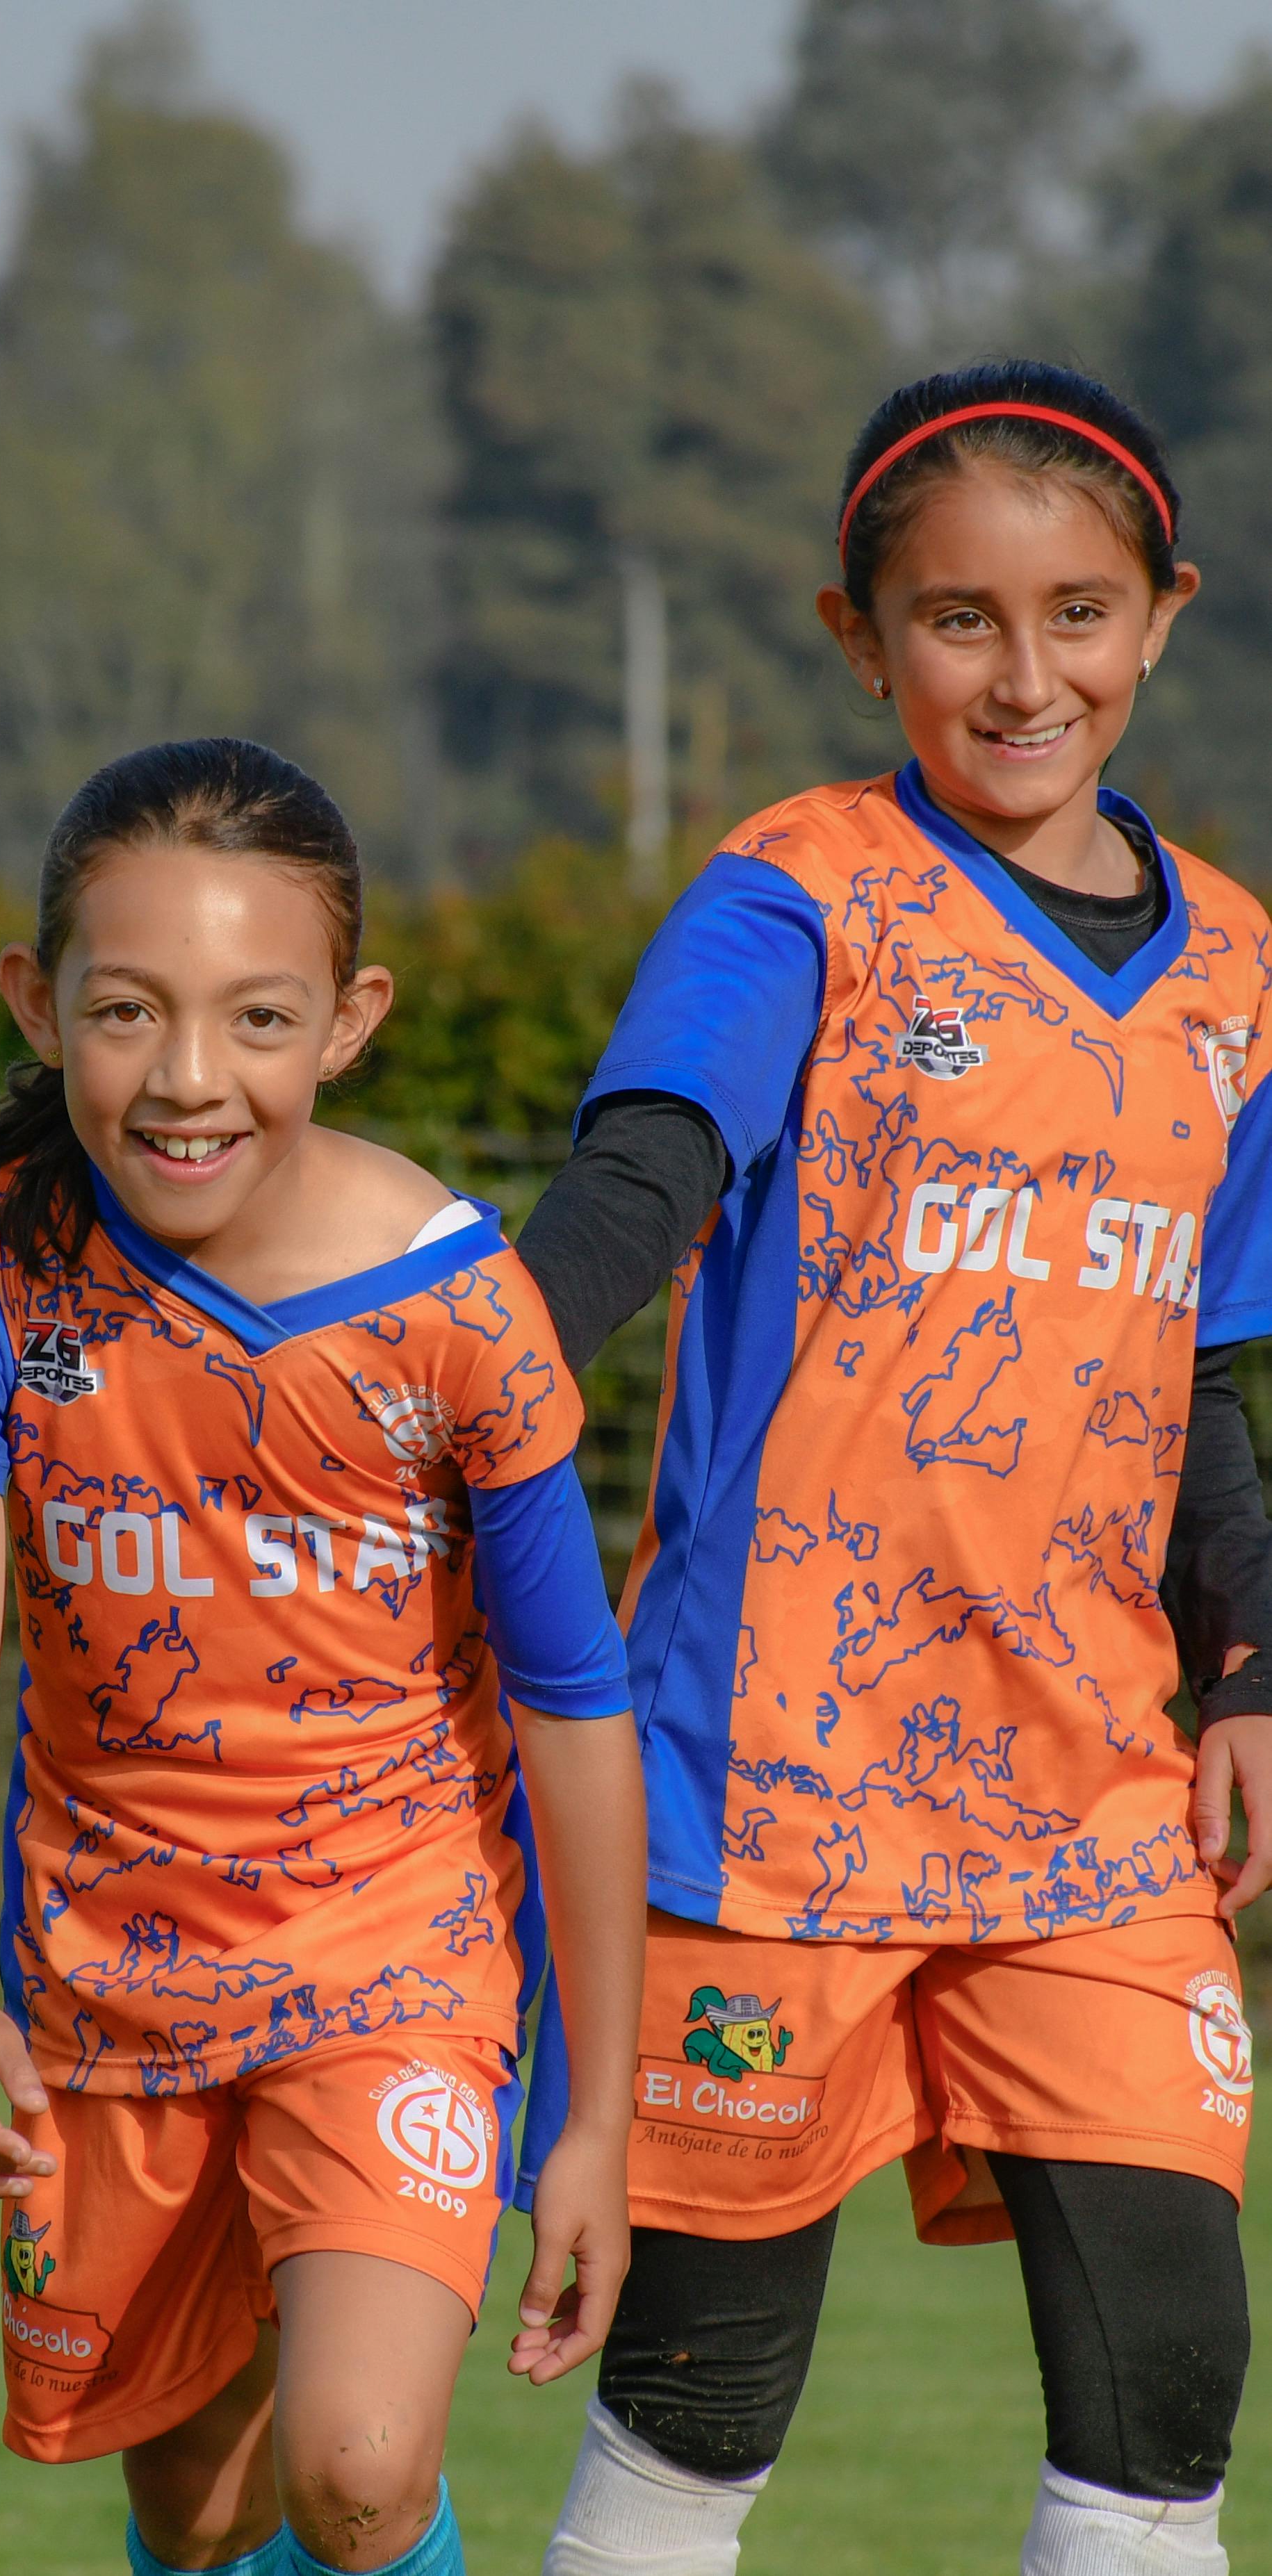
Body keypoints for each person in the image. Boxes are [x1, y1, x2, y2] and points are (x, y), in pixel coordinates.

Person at [514, 361, 1272, 2576]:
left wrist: (1249, 1662)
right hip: (769, 1788)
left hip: (1098, 1800)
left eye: (1077, 612)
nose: (1023, 673)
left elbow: (1200, 1381)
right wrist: (464, 1385)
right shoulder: (798, 893)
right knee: (702, 2414)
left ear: (1162, 616)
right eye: (957, 619)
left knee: (1167, 2404)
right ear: (861, 638)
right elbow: (640, 1184)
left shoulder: (1239, 970)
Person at [0, 738, 645, 2576]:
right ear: (36, 1007)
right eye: (126, 1011)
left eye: (258, 1015)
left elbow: (578, 1711)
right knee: (197, 2511)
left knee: (358, 2467)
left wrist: (597, 2118)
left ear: (351, 1020)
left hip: (401, 1957)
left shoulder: (463, 1311)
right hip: (112, 1986)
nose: (189, 1078)